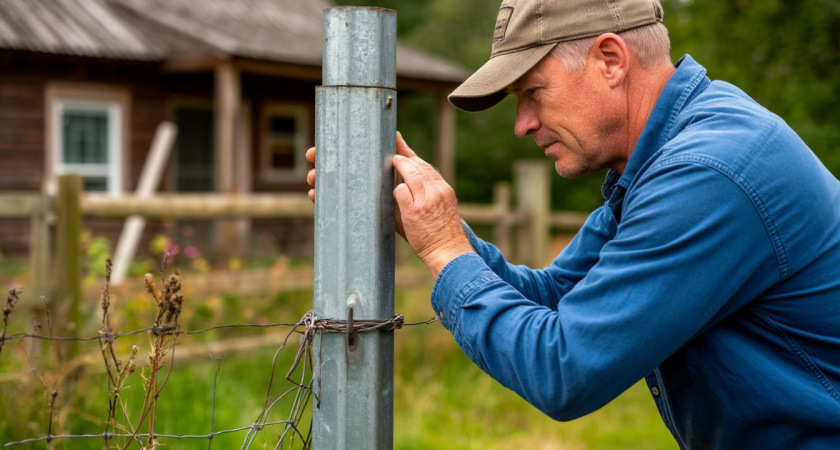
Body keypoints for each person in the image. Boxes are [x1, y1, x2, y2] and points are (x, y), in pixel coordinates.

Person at [307, 0, 840, 447]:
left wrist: (445, 250)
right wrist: (427, 221)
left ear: (610, 60)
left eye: (533, 93)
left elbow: (565, 368)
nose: (522, 125)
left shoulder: (707, 173)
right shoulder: (669, 156)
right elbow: (555, 296)